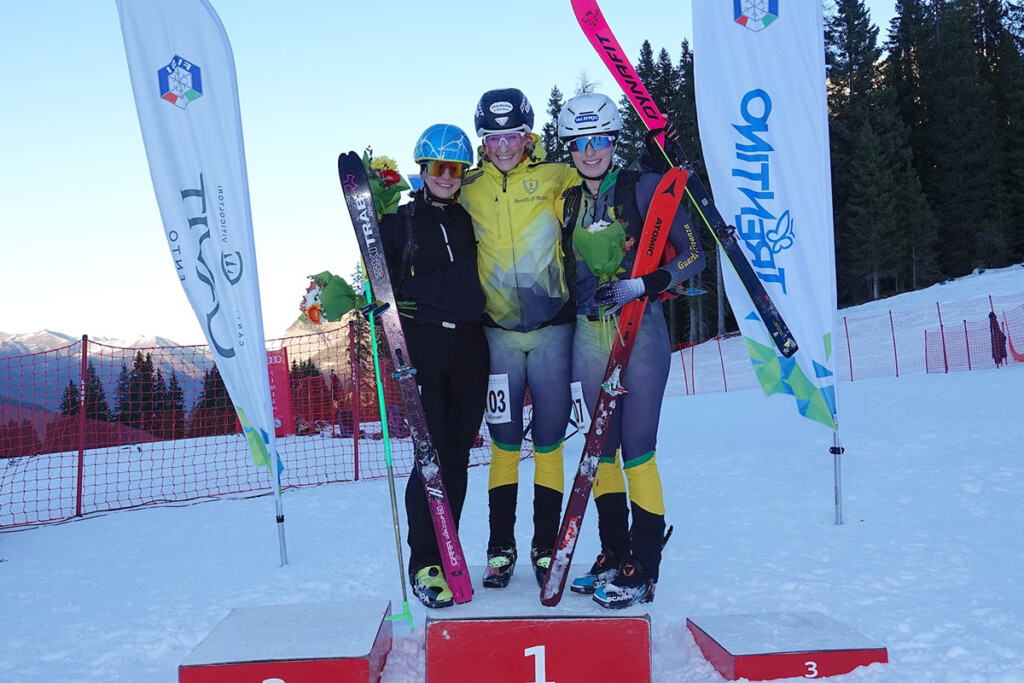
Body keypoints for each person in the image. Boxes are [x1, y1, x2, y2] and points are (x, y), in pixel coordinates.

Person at [556, 93, 706, 608]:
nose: (591, 151)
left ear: (614, 140)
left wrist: (644, 285)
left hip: (640, 329)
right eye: (580, 142)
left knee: (638, 449)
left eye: (600, 140)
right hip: (587, 335)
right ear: (569, 148)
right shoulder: (569, 201)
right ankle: (613, 552)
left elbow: (694, 256)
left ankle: (645, 564)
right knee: (599, 452)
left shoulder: (644, 188)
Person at [459, 88, 581, 588]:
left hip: (554, 330)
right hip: (499, 338)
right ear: (481, 141)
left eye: (512, 135)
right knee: (505, 444)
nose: (503, 146)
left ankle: (545, 548)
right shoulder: (468, 188)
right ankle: (500, 549)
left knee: (550, 443)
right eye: (492, 137)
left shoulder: (556, 175)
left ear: (528, 135)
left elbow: (604, 179)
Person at [379, 123, 489, 608]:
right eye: (438, 167)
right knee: (431, 454)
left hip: (471, 345)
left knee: (459, 455)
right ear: (422, 170)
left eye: (456, 168)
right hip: (423, 344)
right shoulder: (400, 223)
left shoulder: (469, 220)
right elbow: (373, 280)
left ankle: (449, 547)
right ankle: (423, 558)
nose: (447, 176)